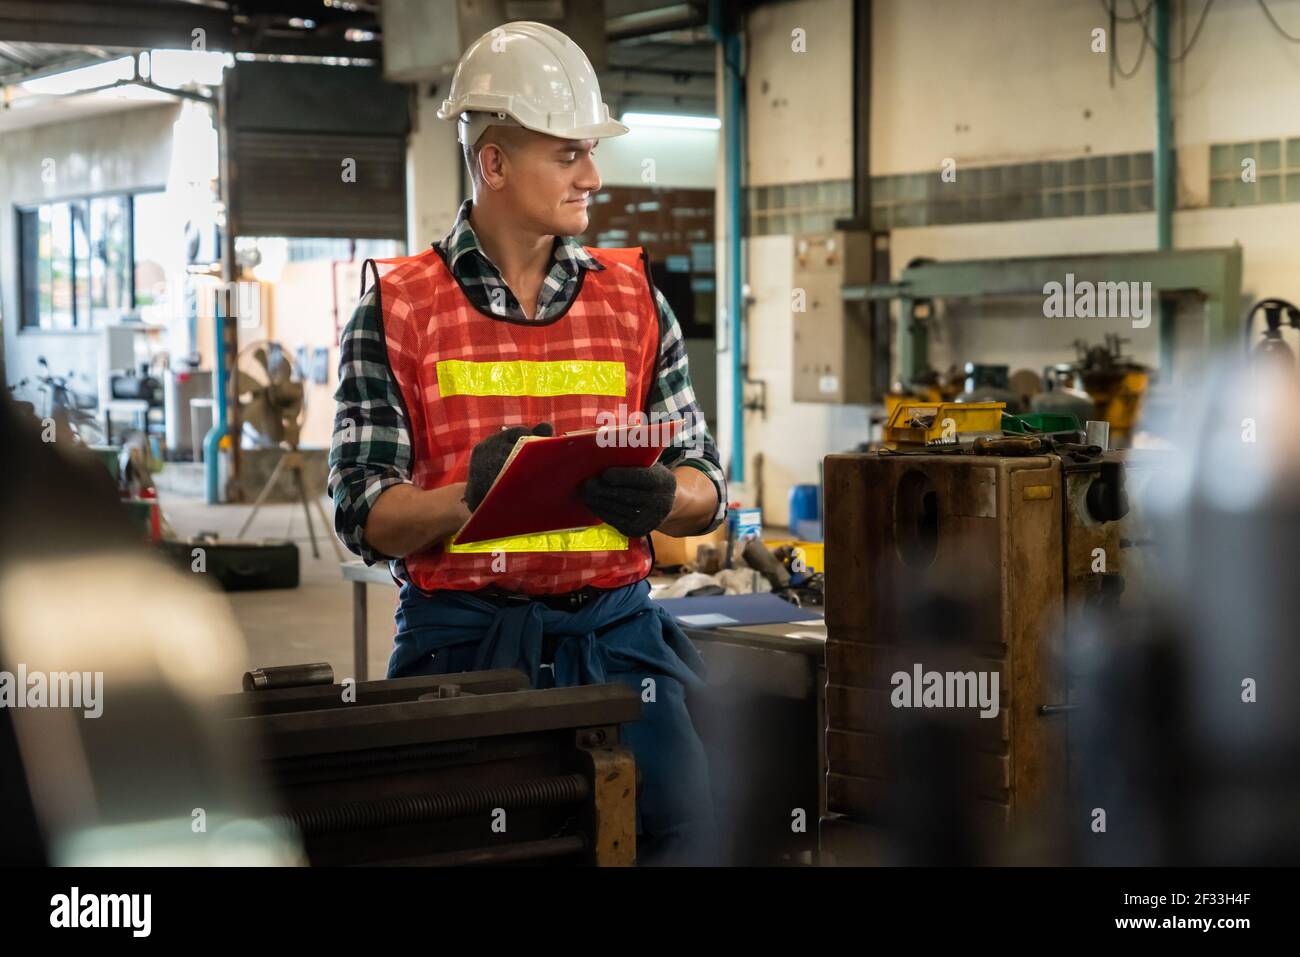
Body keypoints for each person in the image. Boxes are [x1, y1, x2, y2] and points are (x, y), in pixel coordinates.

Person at [328, 21, 726, 865]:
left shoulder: (634, 300)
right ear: (494, 163)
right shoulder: (399, 308)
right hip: (466, 646)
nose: (594, 175)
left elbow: (707, 483)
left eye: (590, 151)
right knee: (466, 848)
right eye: (569, 153)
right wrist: (472, 497)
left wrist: (666, 497)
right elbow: (363, 511)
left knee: (688, 830)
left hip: (620, 644)